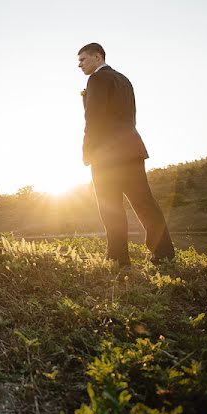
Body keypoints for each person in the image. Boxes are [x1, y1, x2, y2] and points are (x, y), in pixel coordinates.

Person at [78, 43, 175, 266]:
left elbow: (93, 119)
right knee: (144, 202)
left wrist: (87, 150)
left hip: (107, 153)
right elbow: (130, 117)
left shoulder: (96, 80)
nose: (80, 65)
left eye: (83, 59)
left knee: (109, 204)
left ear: (97, 56)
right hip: (131, 148)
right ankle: (165, 253)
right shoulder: (124, 80)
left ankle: (118, 257)